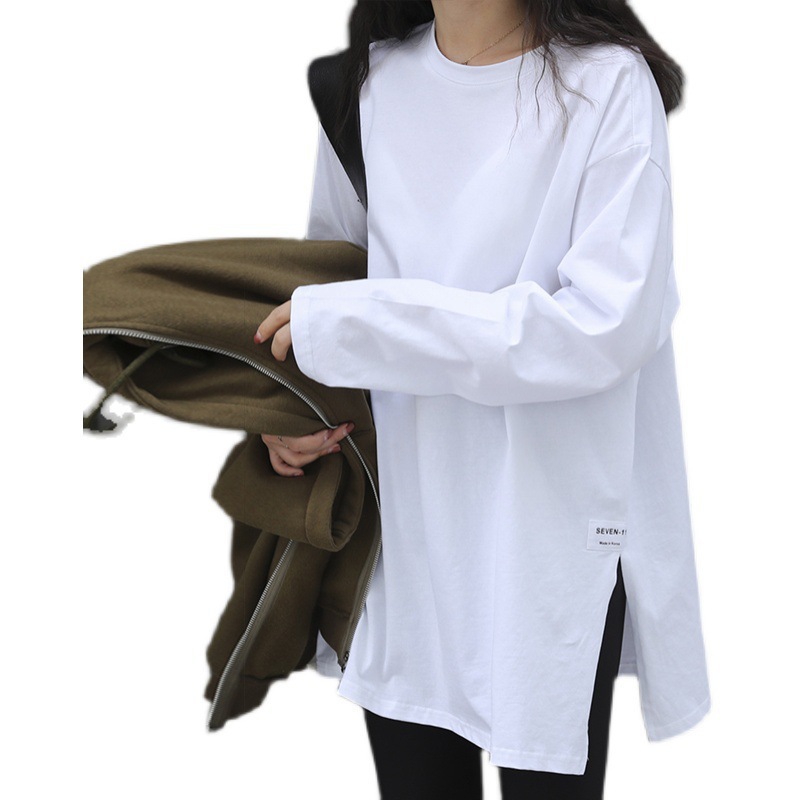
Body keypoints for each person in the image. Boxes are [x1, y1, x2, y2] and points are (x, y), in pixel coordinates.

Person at [253, 1, 711, 798]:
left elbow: (602, 329)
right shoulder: (364, 87)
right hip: (403, 549)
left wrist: (362, 327)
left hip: (549, 541)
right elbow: (326, 296)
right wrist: (295, 416)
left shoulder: (606, 85)